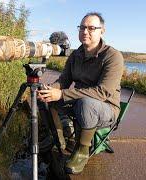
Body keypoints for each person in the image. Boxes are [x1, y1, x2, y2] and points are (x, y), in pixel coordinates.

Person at [37, 12, 124, 174]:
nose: (85, 31)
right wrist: (51, 90)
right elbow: (64, 80)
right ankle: (58, 140)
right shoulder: (76, 55)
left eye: (91, 28)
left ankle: (82, 150)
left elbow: (102, 92)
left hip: (105, 108)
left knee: (87, 104)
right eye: (82, 27)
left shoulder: (113, 57)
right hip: (78, 102)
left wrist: (62, 95)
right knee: (45, 97)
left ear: (102, 31)